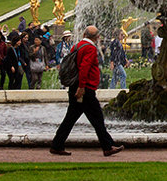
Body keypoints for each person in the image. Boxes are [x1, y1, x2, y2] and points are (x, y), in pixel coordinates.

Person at [49, 25, 123, 157]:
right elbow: (84, 68)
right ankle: (107, 146)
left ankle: (57, 145)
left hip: (76, 87)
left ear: (84, 35)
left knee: (71, 118)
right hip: (84, 89)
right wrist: (82, 87)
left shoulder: (77, 46)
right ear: (97, 37)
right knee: (97, 117)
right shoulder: (90, 48)